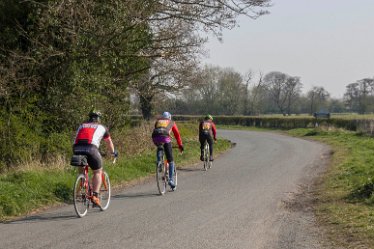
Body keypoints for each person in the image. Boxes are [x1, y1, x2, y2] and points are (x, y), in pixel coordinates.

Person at [73, 110, 117, 207]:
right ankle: (95, 196)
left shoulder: (82, 125)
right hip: (91, 148)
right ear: (99, 119)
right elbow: (109, 142)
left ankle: (80, 189)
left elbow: (76, 138)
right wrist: (113, 153)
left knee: (81, 170)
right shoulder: (102, 127)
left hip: (77, 148)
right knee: (98, 172)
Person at [152, 111, 184, 190]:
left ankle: (159, 162)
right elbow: (177, 134)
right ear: (169, 117)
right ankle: (170, 179)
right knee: (170, 160)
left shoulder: (158, 121)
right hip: (165, 137)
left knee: (159, 146)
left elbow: (157, 129)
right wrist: (180, 145)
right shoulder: (171, 122)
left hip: (155, 136)